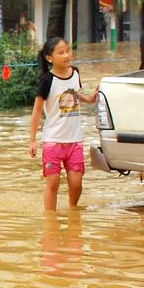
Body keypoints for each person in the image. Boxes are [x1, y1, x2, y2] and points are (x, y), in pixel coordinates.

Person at [29, 36, 98, 211]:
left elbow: (74, 93)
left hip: (74, 140)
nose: (67, 55)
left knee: (76, 183)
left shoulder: (75, 73)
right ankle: (50, 218)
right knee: (52, 183)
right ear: (49, 58)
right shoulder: (47, 80)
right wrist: (32, 140)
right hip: (53, 141)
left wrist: (89, 99)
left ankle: (73, 211)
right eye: (61, 52)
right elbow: (37, 110)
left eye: (68, 51)